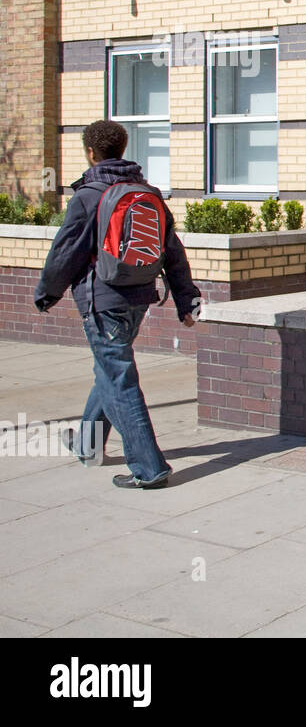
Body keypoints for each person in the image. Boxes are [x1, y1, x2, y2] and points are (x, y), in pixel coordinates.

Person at [33, 119, 202, 489]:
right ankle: (86, 445)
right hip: (139, 296)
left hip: (102, 300)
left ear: (90, 152)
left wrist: (47, 293)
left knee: (118, 377)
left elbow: (66, 252)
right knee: (110, 369)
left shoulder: (87, 195)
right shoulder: (148, 192)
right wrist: (186, 298)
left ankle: (149, 468)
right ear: (122, 149)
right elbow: (172, 251)